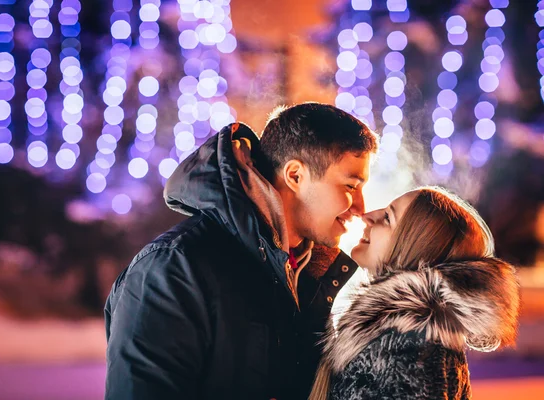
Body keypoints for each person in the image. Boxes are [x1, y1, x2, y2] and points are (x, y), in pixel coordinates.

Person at [104, 103, 380, 399]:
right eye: (351, 186)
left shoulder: (309, 273)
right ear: (295, 176)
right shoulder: (174, 267)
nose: (361, 208)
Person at [310, 187, 520, 400]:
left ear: (413, 248)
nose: (367, 217)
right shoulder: (405, 335)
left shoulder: (412, 348)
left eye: (387, 218)